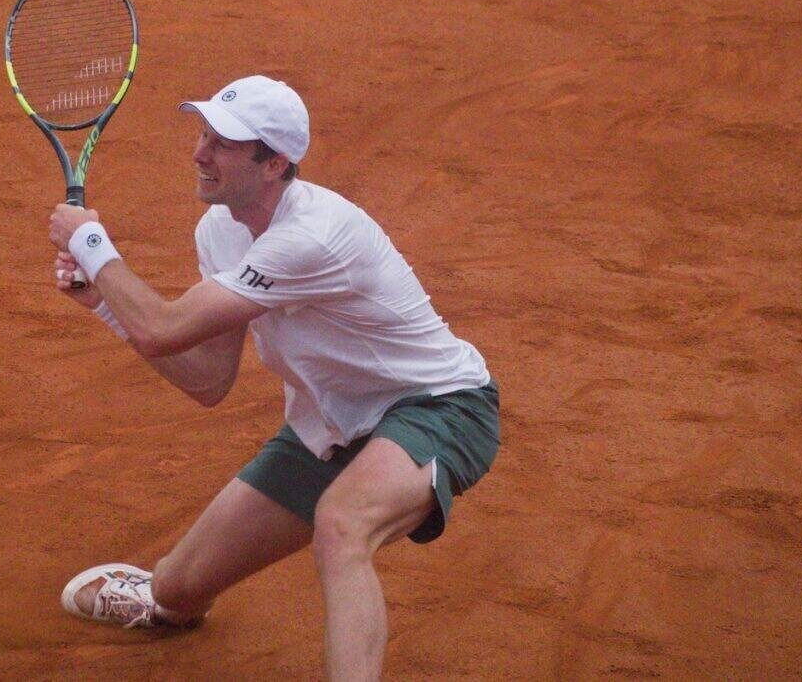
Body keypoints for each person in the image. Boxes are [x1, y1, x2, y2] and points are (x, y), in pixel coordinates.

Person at [48, 75, 500, 680]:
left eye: (224, 144)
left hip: (437, 409)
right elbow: (207, 378)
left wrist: (93, 245)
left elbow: (163, 325)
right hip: (329, 428)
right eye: (203, 134)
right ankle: (173, 596)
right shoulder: (221, 231)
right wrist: (105, 304)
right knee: (174, 592)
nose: (199, 153)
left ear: (275, 164)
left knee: (343, 525)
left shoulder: (312, 236)